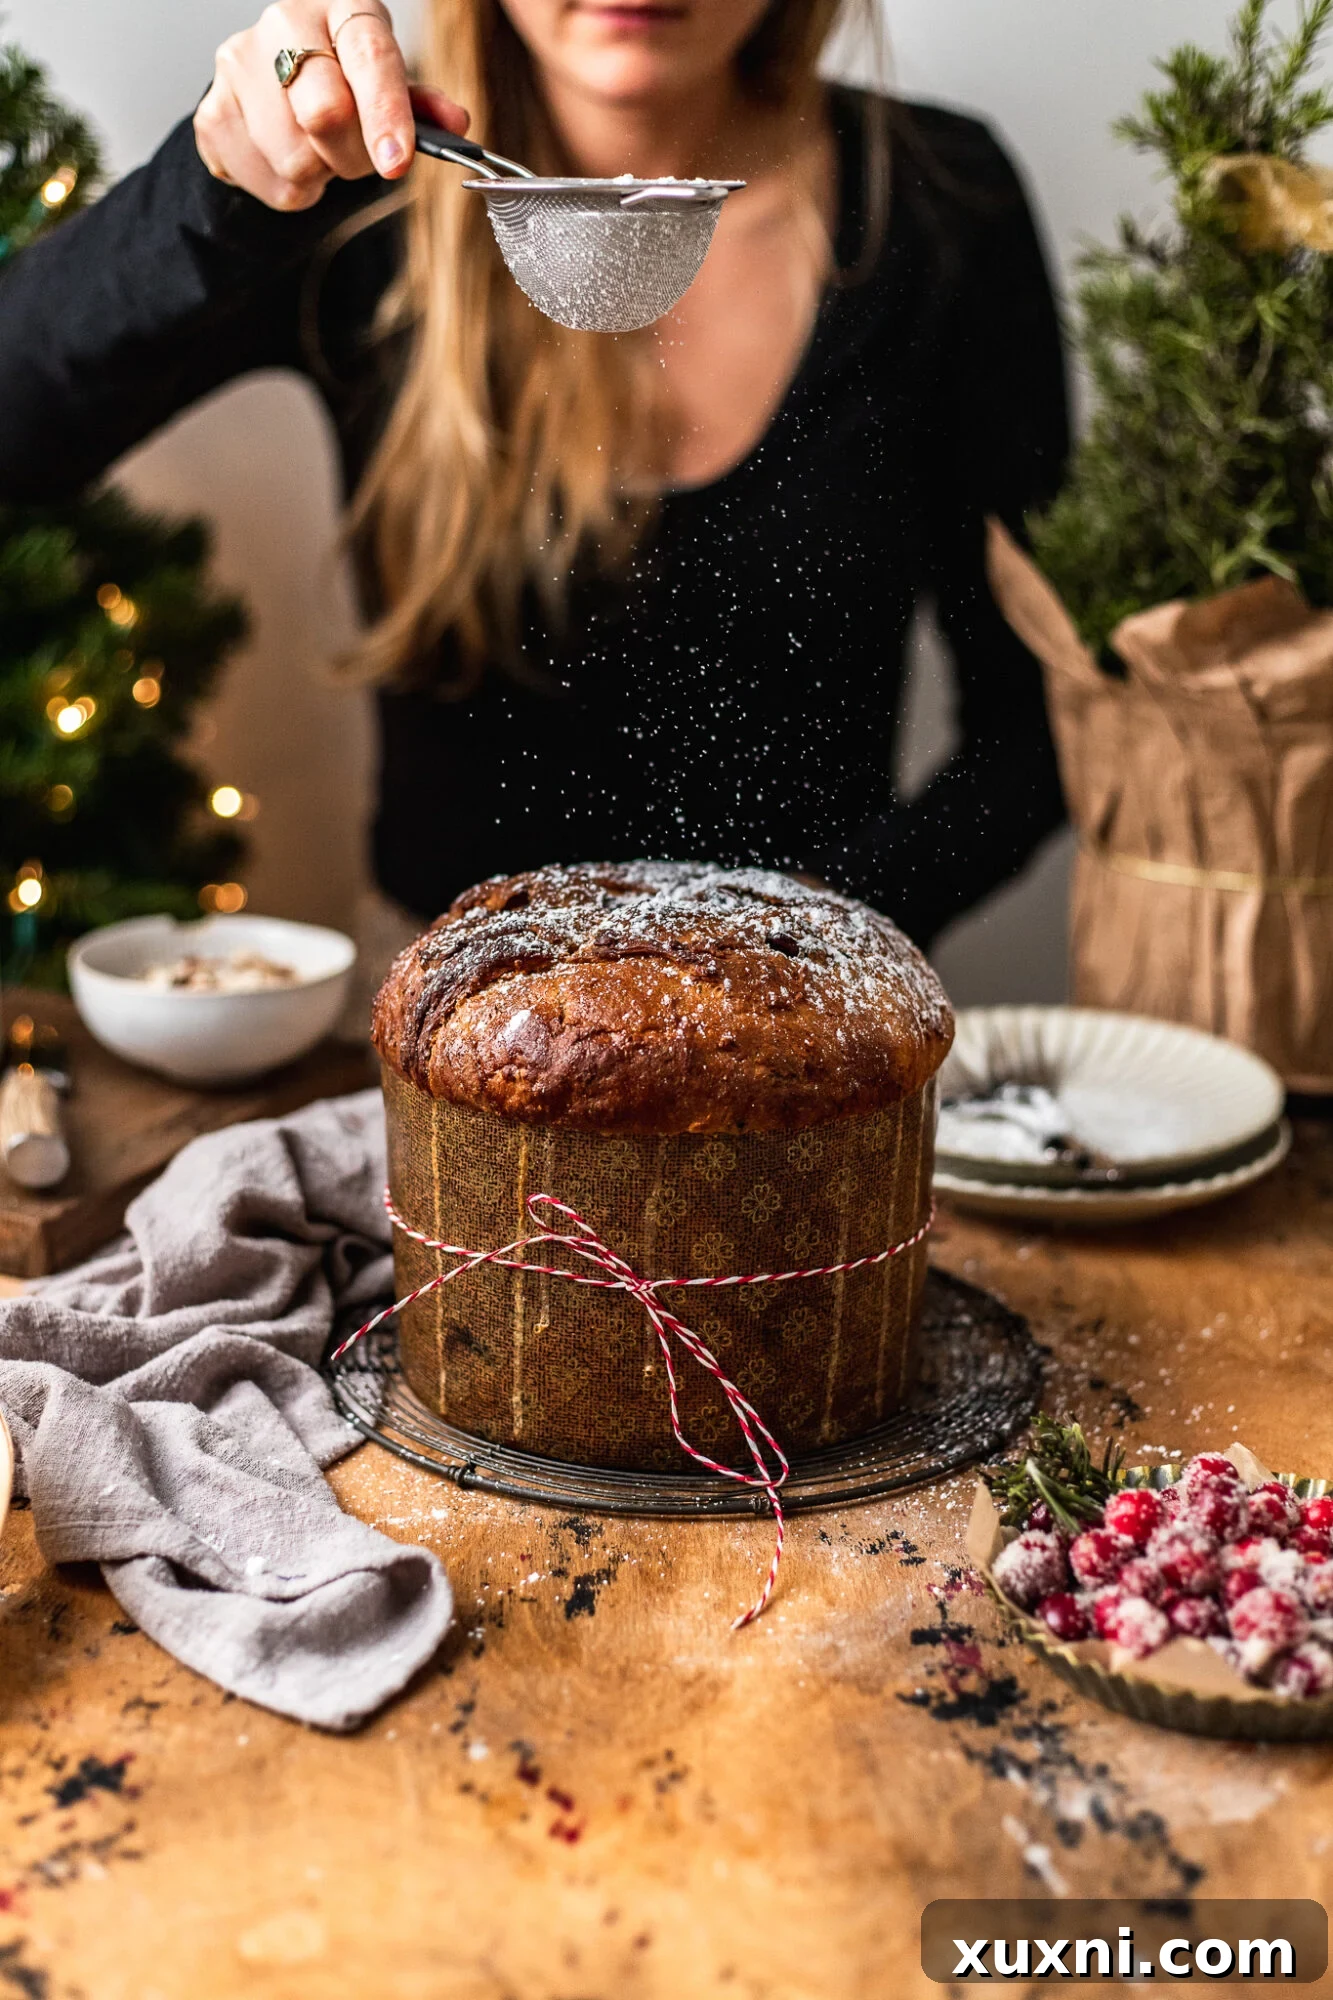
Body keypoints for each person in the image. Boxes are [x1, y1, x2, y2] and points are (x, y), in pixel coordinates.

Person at [0, 0, 1069, 950]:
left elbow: (1050, 713)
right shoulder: (361, 200)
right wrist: (216, 178)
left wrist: (820, 920)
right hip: (441, 1029)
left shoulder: (936, 201)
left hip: (802, 1020)